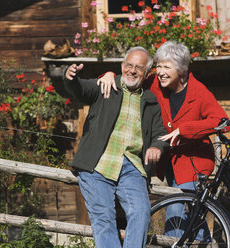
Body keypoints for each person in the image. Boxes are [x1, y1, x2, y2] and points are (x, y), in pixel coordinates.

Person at [98, 41, 229, 240]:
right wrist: (107, 75)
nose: (160, 72)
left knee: (177, 214)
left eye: (166, 67)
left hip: (194, 161)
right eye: (158, 66)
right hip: (169, 161)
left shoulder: (198, 92)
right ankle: (204, 242)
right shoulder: (155, 84)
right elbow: (130, 78)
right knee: (193, 216)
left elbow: (223, 122)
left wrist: (185, 129)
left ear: (182, 69)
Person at [63, 46, 170, 248]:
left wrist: (157, 146)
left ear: (146, 74)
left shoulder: (150, 101)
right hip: (97, 164)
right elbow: (80, 89)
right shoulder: (105, 85)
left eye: (138, 68)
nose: (132, 70)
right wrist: (70, 77)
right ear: (122, 66)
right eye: (129, 65)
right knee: (104, 218)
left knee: (141, 213)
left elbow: (160, 133)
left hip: (132, 167)